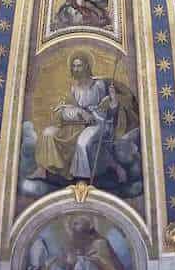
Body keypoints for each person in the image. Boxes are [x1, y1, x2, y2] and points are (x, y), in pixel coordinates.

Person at [32, 52, 137, 184]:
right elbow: (68, 108)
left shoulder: (98, 85)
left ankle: (82, 178)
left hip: (99, 123)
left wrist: (113, 98)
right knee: (48, 132)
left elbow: (112, 111)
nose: (76, 69)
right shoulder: (73, 89)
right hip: (78, 124)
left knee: (82, 142)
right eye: (74, 66)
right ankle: (43, 169)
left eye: (79, 66)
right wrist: (77, 111)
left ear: (87, 66)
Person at [26, 217, 127, 270]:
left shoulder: (99, 246)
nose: (74, 238)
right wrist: (68, 264)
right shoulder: (66, 250)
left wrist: (98, 262)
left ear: (88, 236)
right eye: (74, 234)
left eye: (79, 236)